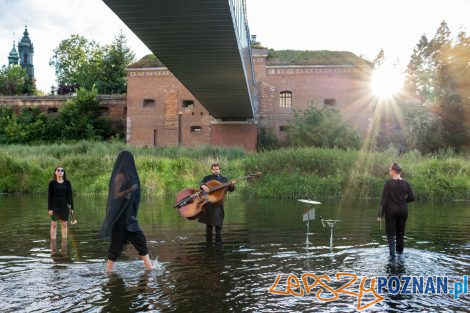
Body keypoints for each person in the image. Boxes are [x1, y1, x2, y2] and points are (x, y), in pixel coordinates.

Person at [99, 151, 154, 272]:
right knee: (117, 247)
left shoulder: (128, 176)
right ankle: (109, 272)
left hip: (128, 217)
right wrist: (129, 189)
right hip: (120, 218)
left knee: (138, 240)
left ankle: (149, 267)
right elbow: (116, 196)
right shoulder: (120, 176)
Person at [378, 162, 415, 258]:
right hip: (403, 211)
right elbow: (412, 198)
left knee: (390, 233)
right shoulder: (405, 183)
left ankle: (392, 256)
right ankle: (400, 255)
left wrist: (380, 215)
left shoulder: (388, 183)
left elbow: (384, 200)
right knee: (400, 233)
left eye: (390, 170)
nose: (389, 172)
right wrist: (402, 202)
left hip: (391, 211)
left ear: (394, 171)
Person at [198, 163, 236, 236]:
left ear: (219, 170)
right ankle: (208, 246)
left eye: (217, 169)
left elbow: (230, 189)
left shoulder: (224, 179)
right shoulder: (207, 178)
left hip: (218, 204)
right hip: (208, 203)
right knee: (208, 229)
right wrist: (203, 186)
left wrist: (232, 185)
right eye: (214, 169)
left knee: (218, 228)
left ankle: (218, 246)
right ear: (211, 170)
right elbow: (201, 183)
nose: (215, 171)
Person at [48, 166, 74, 239]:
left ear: (63, 172)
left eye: (62, 170)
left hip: (65, 206)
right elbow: (50, 197)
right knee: (53, 225)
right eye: (58, 170)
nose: (60, 172)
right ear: (55, 172)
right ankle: (53, 244)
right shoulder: (52, 183)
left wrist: (72, 208)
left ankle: (64, 242)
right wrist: (50, 209)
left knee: (64, 225)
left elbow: (70, 196)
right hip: (55, 206)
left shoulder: (67, 182)